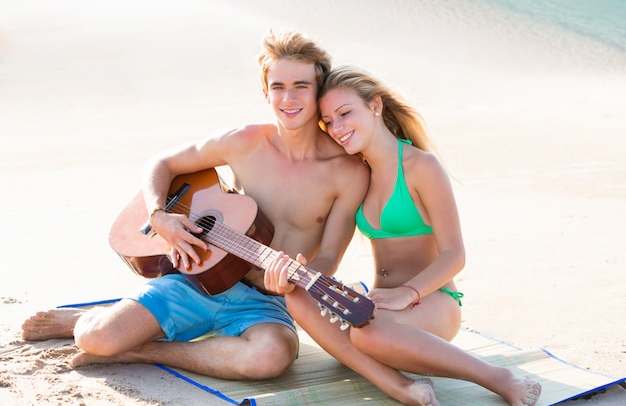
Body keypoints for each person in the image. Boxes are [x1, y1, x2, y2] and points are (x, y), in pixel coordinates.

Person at [21, 30, 377, 382]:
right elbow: (161, 164)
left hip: (267, 302)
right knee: (96, 338)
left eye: (301, 86)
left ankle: (143, 350)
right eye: (278, 87)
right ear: (265, 92)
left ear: (320, 90)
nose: (289, 98)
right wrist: (160, 217)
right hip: (198, 275)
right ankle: (93, 321)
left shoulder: (347, 172)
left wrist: (291, 283)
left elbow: (330, 257)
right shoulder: (243, 142)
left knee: (270, 358)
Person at [266, 65, 542, 406]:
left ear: (375, 106)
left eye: (344, 113)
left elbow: (455, 254)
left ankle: (500, 378)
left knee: (368, 336)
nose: (337, 128)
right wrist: (293, 276)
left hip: (431, 300)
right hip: (380, 306)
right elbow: (329, 256)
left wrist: (407, 294)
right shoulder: (356, 174)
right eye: (328, 122)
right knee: (297, 298)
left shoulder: (421, 166)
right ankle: (401, 386)